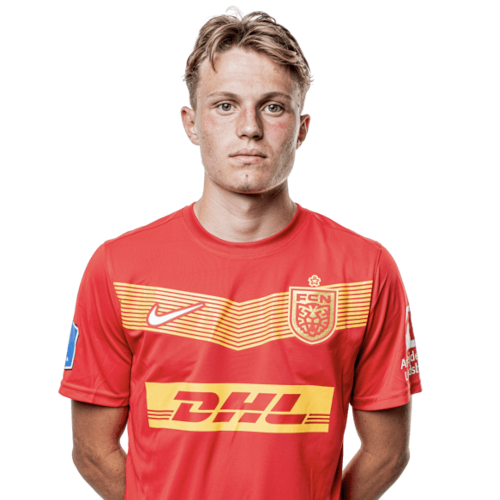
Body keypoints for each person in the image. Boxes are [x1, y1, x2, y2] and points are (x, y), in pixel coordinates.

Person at [58, 6, 422, 500]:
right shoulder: (118, 267)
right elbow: (92, 449)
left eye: (273, 107)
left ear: (302, 128)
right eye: (225, 105)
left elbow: (387, 453)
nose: (249, 128)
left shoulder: (367, 269)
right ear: (191, 123)